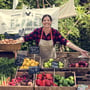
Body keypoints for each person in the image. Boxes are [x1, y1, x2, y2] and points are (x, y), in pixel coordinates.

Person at [15, 14, 89, 59]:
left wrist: (80, 50)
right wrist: (15, 42)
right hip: (39, 59)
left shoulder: (55, 33)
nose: (46, 22)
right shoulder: (37, 31)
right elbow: (25, 38)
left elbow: (67, 43)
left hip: (51, 59)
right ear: (42, 22)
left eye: (48, 20)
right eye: (44, 20)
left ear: (51, 22)